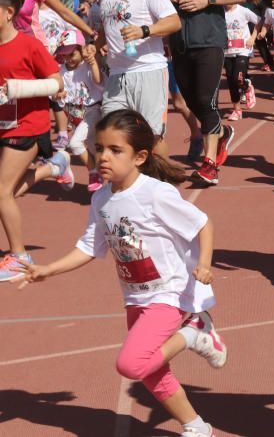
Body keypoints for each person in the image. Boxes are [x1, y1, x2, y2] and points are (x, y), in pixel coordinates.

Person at [14, 109, 226, 437]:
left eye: (116, 150)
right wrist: (48, 270)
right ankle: (196, 427)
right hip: (135, 297)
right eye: (100, 148)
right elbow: (89, 247)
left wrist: (205, 265)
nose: (104, 157)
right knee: (154, 372)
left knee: (131, 364)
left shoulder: (155, 194)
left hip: (169, 294)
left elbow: (203, 224)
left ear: (140, 157)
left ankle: (193, 332)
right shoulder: (102, 199)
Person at [155, 0, 246, 186]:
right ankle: (222, 130)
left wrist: (208, 0)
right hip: (179, 42)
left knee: (207, 100)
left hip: (210, 40)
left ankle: (210, 165)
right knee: (191, 102)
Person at [88, 0, 181, 164]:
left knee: (151, 138)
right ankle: (123, 188)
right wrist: (94, 46)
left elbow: (174, 21)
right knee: (111, 135)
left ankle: (164, 186)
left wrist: (144, 31)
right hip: (117, 75)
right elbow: (107, 26)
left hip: (148, 71)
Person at [0, 0, 65, 281]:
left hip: (29, 124)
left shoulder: (29, 46)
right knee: (8, 192)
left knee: (1, 192)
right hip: (3, 125)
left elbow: (57, 83)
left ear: (9, 12)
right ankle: (52, 169)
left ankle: (19, 257)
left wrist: (18, 90)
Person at [53, 30, 104, 192]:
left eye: (71, 54)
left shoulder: (87, 65)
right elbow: (59, 93)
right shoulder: (62, 70)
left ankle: (94, 173)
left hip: (93, 110)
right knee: (94, 148)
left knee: (75, 144)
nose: (68, 59)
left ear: (81, 50)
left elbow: (99, 81)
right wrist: (58, 93)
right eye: (64, 55)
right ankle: (106, 182)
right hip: (76, 115)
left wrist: (94, 62)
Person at [222, 3, 259, 122]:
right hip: (227, 51)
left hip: (243, 50)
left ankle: (247, 87)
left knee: (238, 78)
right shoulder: (219, 12)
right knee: (231, 81)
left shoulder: (243, 11)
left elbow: (259, 21)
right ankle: (237, 110)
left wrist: (252, 38)